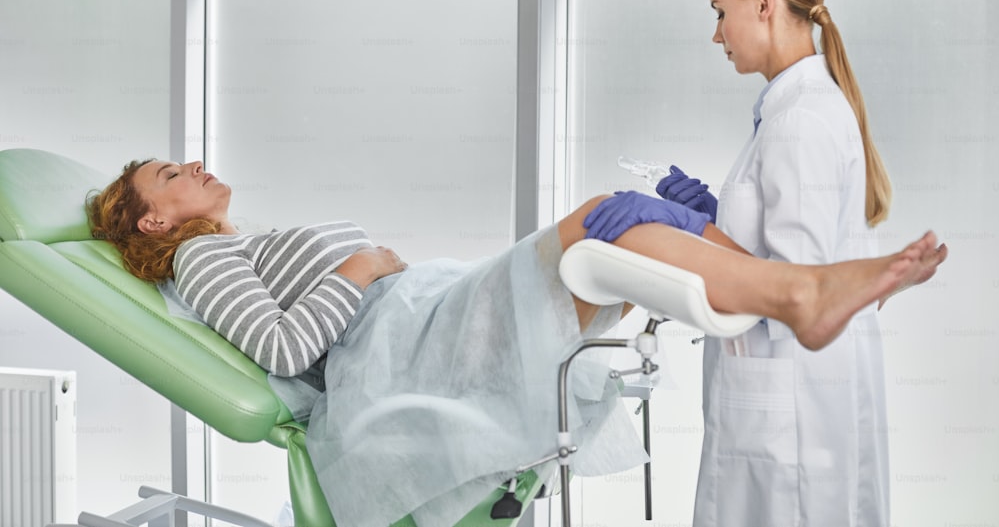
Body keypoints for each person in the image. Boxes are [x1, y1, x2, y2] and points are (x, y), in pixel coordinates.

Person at [87, 158, 945, 527]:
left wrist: (373, 272)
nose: (193, 163)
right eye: (170, 173)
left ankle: (799, 287)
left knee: (619, 222)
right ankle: (799, 294)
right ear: (156, 219)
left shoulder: (234, 240)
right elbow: (282, 349)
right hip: (400, 352)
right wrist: (356, 271)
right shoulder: (199, 257)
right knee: (603, 226)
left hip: (417, 318)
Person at [656, 0, 909, 526]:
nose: (716, 34)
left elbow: (796, 293)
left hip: (792, 414)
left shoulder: (801, 120)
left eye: (721, 13)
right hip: (791, 404)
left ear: (763, 3)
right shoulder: (794, 111)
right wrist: (714, 217)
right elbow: (783, 256)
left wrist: (687, 230)